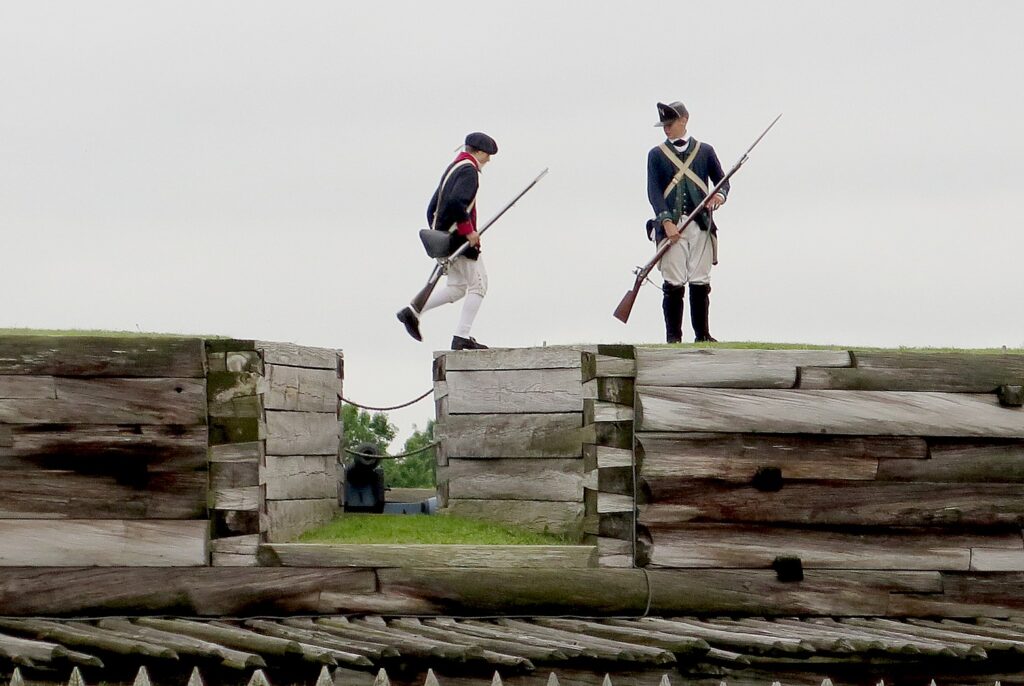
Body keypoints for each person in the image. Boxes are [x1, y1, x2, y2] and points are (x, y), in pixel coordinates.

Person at [397, 132, 497, 350]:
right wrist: (468, 231)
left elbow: (433, 207)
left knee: (458, 287)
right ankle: (461, 336)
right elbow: (456, 203)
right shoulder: (469, 171)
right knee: (479, 285)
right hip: (458, 240)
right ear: (479, 152)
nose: (488, 160)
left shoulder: (453, 168)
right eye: (488, 155)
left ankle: (413, 310)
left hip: (445, 237)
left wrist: (439, 232)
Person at [646, 101, 729, 343]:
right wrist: (666, 222)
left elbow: (722, 181)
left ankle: (702, 335)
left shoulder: (705, 151)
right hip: (672, 225)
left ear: (684, 120)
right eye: (665, 125)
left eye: (670, 124)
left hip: (700, 223)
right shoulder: (656, 155)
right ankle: (673, 337)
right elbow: (654, 192)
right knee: (673, 280)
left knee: (700, 278)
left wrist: (718, 196)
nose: (666, 129)